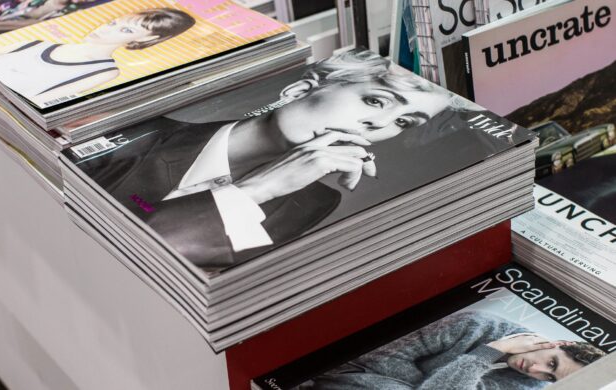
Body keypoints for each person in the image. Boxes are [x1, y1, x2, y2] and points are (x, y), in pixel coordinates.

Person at [76, 49, 481, 269]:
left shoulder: (313, 202)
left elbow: (201, 273)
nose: (377, 125)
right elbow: (126, 255)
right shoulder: (139, 136)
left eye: (403, 121)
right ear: (296, 91)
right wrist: (258, 188)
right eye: (375, 100)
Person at [299, 311, 605, 389]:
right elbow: (380, 356)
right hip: (354, 377)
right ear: (560, 344)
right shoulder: (478, 325)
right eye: (551, 363)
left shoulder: (530, 384)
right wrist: (488, 351)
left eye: (551, 379)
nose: (537, 372)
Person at [0, 7, 195, 106]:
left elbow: (32, 103)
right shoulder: (35, 43)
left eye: (125, 30)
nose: (106, 29)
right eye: (113, 23)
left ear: (149, 38)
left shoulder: (103, 72)